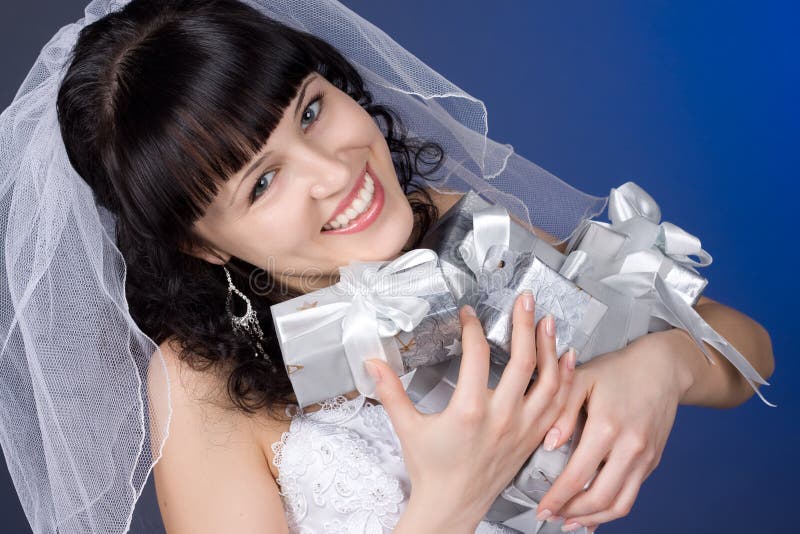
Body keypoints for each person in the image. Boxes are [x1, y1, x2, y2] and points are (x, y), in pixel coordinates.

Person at [0, 0, 774, 533]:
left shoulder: (443, 219)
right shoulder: (197, 382)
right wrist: (450, 498)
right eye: (262, 183)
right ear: (200, 244)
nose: (335, 172)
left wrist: (662, 366)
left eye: (309, 110)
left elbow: (750, 352)